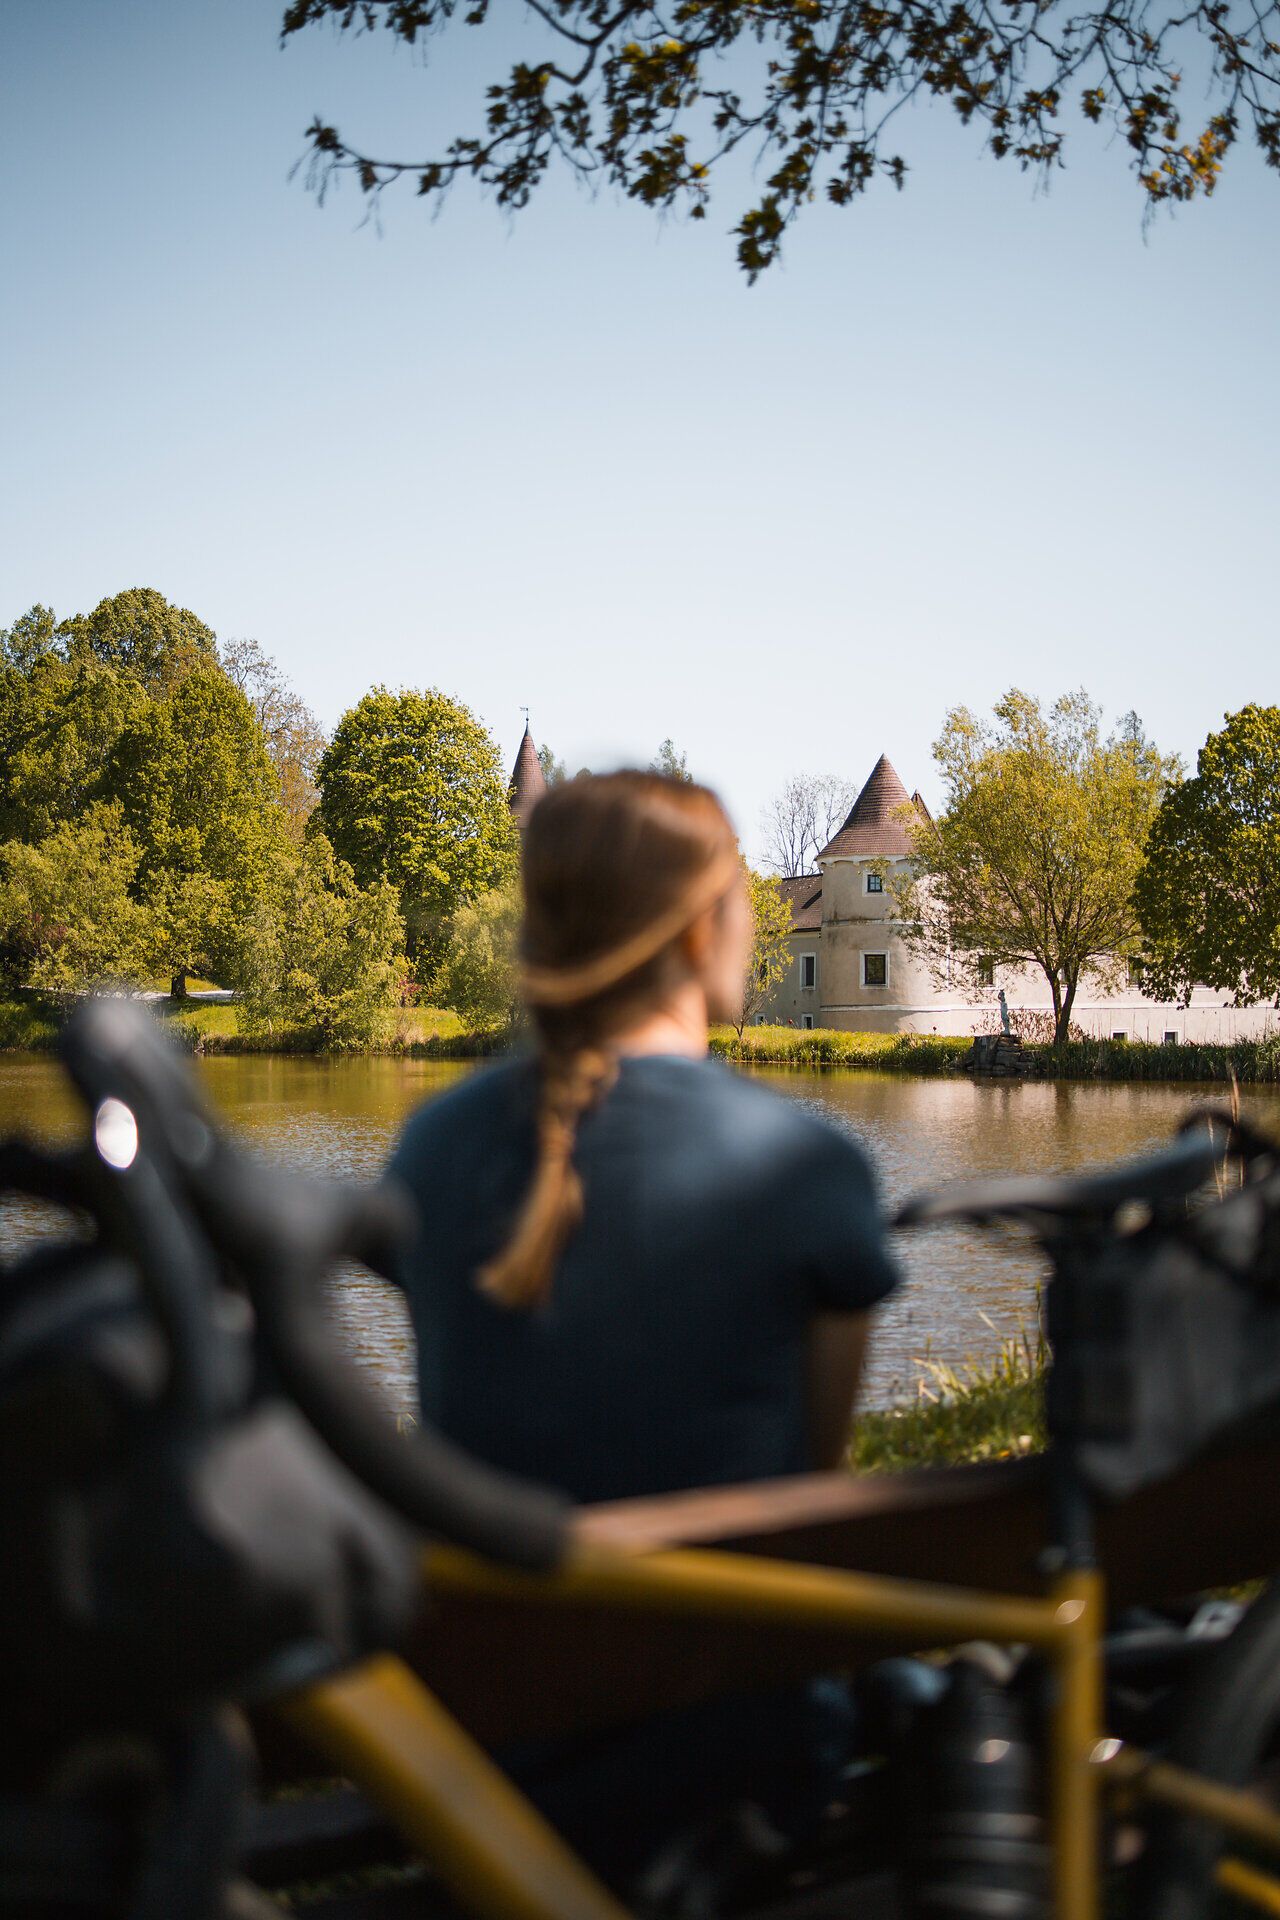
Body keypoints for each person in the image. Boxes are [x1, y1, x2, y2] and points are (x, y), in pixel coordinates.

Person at [387, 770, 900, 1884]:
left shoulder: (428, 1151)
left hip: (483, 1757)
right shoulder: (803, 1165)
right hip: (734, 1761)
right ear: (698, 928)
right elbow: (813, 1473)